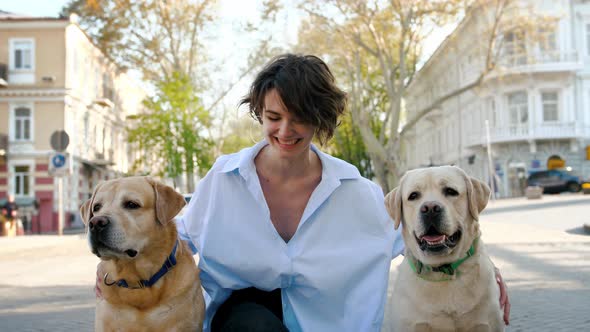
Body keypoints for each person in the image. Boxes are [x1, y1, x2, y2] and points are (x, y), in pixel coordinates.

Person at [96, 54, 509, 331]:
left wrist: (483, 271)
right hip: (247, 318)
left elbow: (425, 238)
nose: (285, 131)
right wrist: (111, 268)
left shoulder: (355, 191)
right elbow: (173, 233)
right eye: (273, 117)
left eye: (299, 118)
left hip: (329, 320)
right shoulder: (224, 178)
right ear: (260, 114)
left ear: (320, 120)